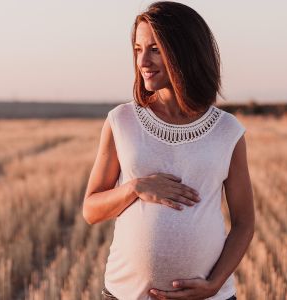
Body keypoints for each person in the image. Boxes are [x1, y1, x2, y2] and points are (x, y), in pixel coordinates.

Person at [83, 1, 255, 299]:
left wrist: (214, 285)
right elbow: (91, 210)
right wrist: (135, 188)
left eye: (155, 49)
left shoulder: (227, 131)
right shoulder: (121, 121)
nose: (143, 62)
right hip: (125, 294)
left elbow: (244, 223)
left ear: (184, 52)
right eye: (138, 49)